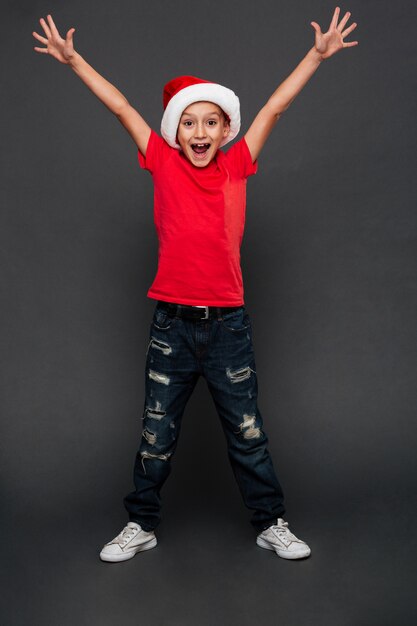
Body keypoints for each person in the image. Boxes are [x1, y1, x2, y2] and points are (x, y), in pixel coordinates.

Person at [32, 7, 358, 563]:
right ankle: (141, 523)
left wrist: (317, 56)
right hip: (172, 327)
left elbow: (276, 105)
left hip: (228, 326)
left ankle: (270, 521)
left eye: (210, 122)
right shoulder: (160, 161)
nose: (200, 132)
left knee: (248, 434)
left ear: (226, 129)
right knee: (155, 436)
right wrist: (73, 60)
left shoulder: (237, 165)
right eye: (189, 122)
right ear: (174, 131)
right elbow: (120, 106)